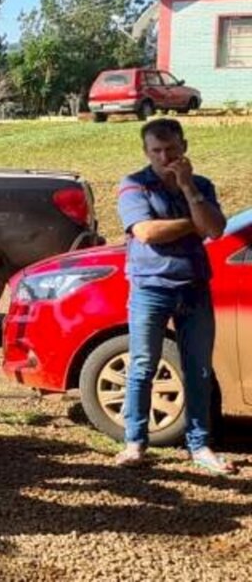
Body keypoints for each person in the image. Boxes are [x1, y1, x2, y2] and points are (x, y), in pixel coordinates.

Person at [116, 118, 234, 475]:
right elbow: (147, 232)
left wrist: (188, 190)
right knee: (142, 365)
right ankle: (135, 442)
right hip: (150, 286)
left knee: (197, 369)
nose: (164, 157)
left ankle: (200, 446)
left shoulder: (200, 185)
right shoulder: (134, 185)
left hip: (194, 286)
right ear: (146, 152)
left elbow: (216, 228)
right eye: (156, 151)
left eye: (171, 149)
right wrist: (193, 223)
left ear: (184, 146)